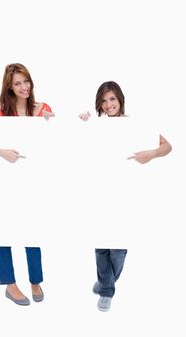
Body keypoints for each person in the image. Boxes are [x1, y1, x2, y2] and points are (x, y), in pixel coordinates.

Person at [79, 81, 172, 311]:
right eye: (103, 100)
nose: (108, 104)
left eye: (112, 99)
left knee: (118, 248)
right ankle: (107, 289)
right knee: (101, 245)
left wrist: (151, 154)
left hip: (126, 197)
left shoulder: (136, 125)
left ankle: (105, 281)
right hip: (100, 195)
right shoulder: (96, 126)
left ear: (120, 99)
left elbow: (168, 146)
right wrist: (82, 125)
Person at [0, 63, 54, 305]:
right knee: (4, 229)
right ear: (9, 87)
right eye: (17, 83)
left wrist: (52, 122)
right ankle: (9, 283)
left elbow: (55, 143)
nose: (24, 86)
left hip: (35, 181)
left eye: (26, 81)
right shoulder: (2, 116)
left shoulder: (43, 109)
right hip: (7, 182)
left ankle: (35, 279)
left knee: (33, 229)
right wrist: (1, 152)